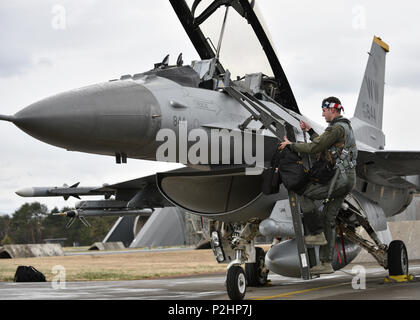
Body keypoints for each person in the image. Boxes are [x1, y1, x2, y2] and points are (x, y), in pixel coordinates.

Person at [278, 97, 358, 274]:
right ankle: (326, 263)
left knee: (302, 191)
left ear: (332, 110)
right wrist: (311, 130)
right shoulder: (343, 128)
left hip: (339, 179)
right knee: (328, 218)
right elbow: (325, 145)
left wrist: (291, 146)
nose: (322, 114)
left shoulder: (337, 128)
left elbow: (315, 148)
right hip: (347, 179)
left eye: (324, 110)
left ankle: (315, 234)